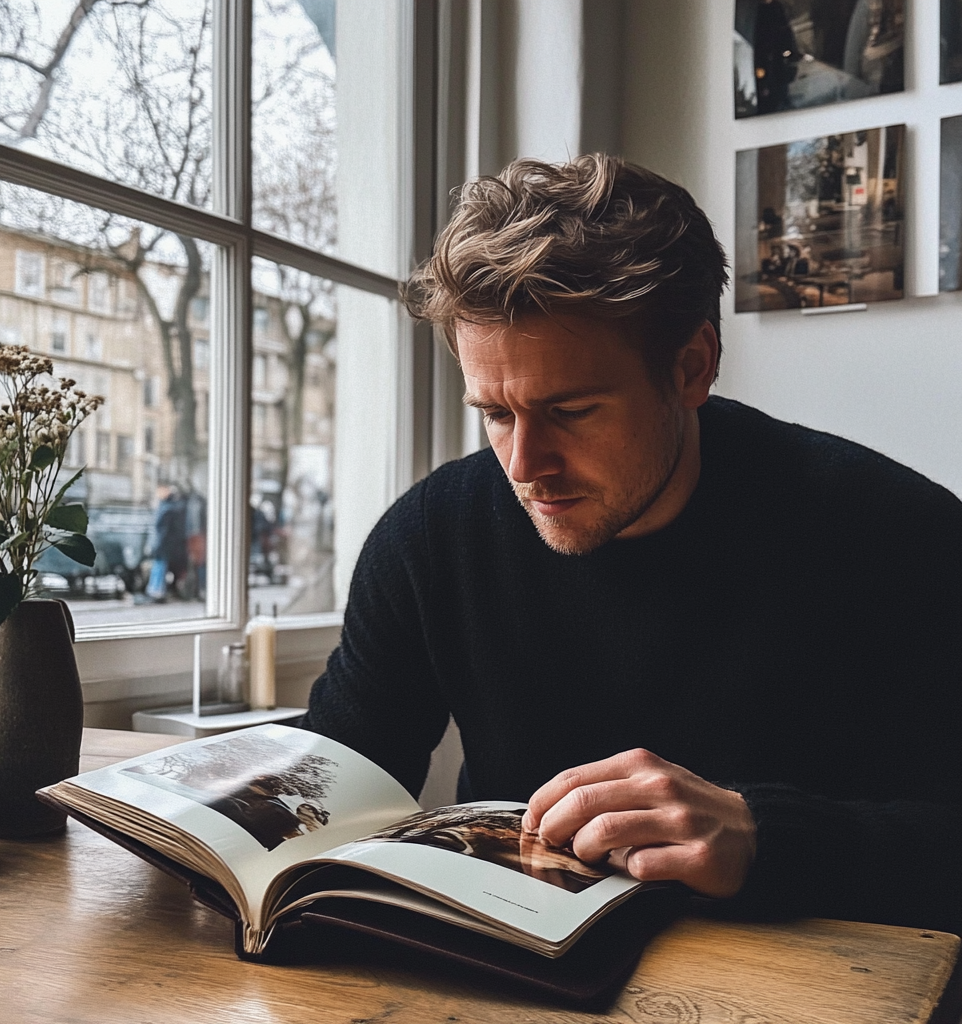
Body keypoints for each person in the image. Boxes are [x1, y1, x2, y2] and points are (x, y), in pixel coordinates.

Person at [301, 154, 961, 935]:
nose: (524, 467)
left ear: (692, 367)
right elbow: (333, 787)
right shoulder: (428, 540)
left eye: (572, 411)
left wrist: (762, 837)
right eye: (497, 414)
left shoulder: (899, 537)